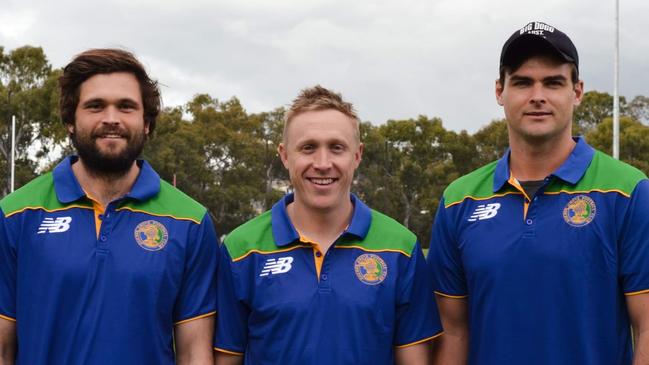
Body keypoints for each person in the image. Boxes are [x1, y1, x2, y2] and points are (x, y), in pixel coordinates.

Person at [427, 21, 649, 364]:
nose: (537, 96)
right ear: (500, 91)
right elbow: (454, 330)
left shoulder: (628, 191)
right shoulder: (459, 200)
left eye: (553, 82)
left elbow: (646, 324)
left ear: (577, 92)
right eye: (522, 82)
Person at [0, 49, 218, 365]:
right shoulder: (15, 214)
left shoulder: (190, 221)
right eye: (95, 106)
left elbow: (194, 352)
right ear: (70, 121)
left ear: (146, 123)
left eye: (126, 106)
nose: (111, 118)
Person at [213, 85, 442, 365]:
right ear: (285, 155)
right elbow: (227, 358)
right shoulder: (241, 249)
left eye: (336, 148)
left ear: (357, 155)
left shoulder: (401, 248)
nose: (323, 163)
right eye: (308, 147)